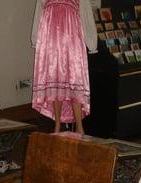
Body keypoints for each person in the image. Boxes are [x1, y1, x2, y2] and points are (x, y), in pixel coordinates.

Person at [31, 0, 97, 134]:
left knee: (74, 80)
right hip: (51, 39)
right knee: (56, 80)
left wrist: (91, 41)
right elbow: (39, 11)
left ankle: (79, 126)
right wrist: (36, 38)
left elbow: (85, 13)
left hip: (72, 38)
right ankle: (57, 125)